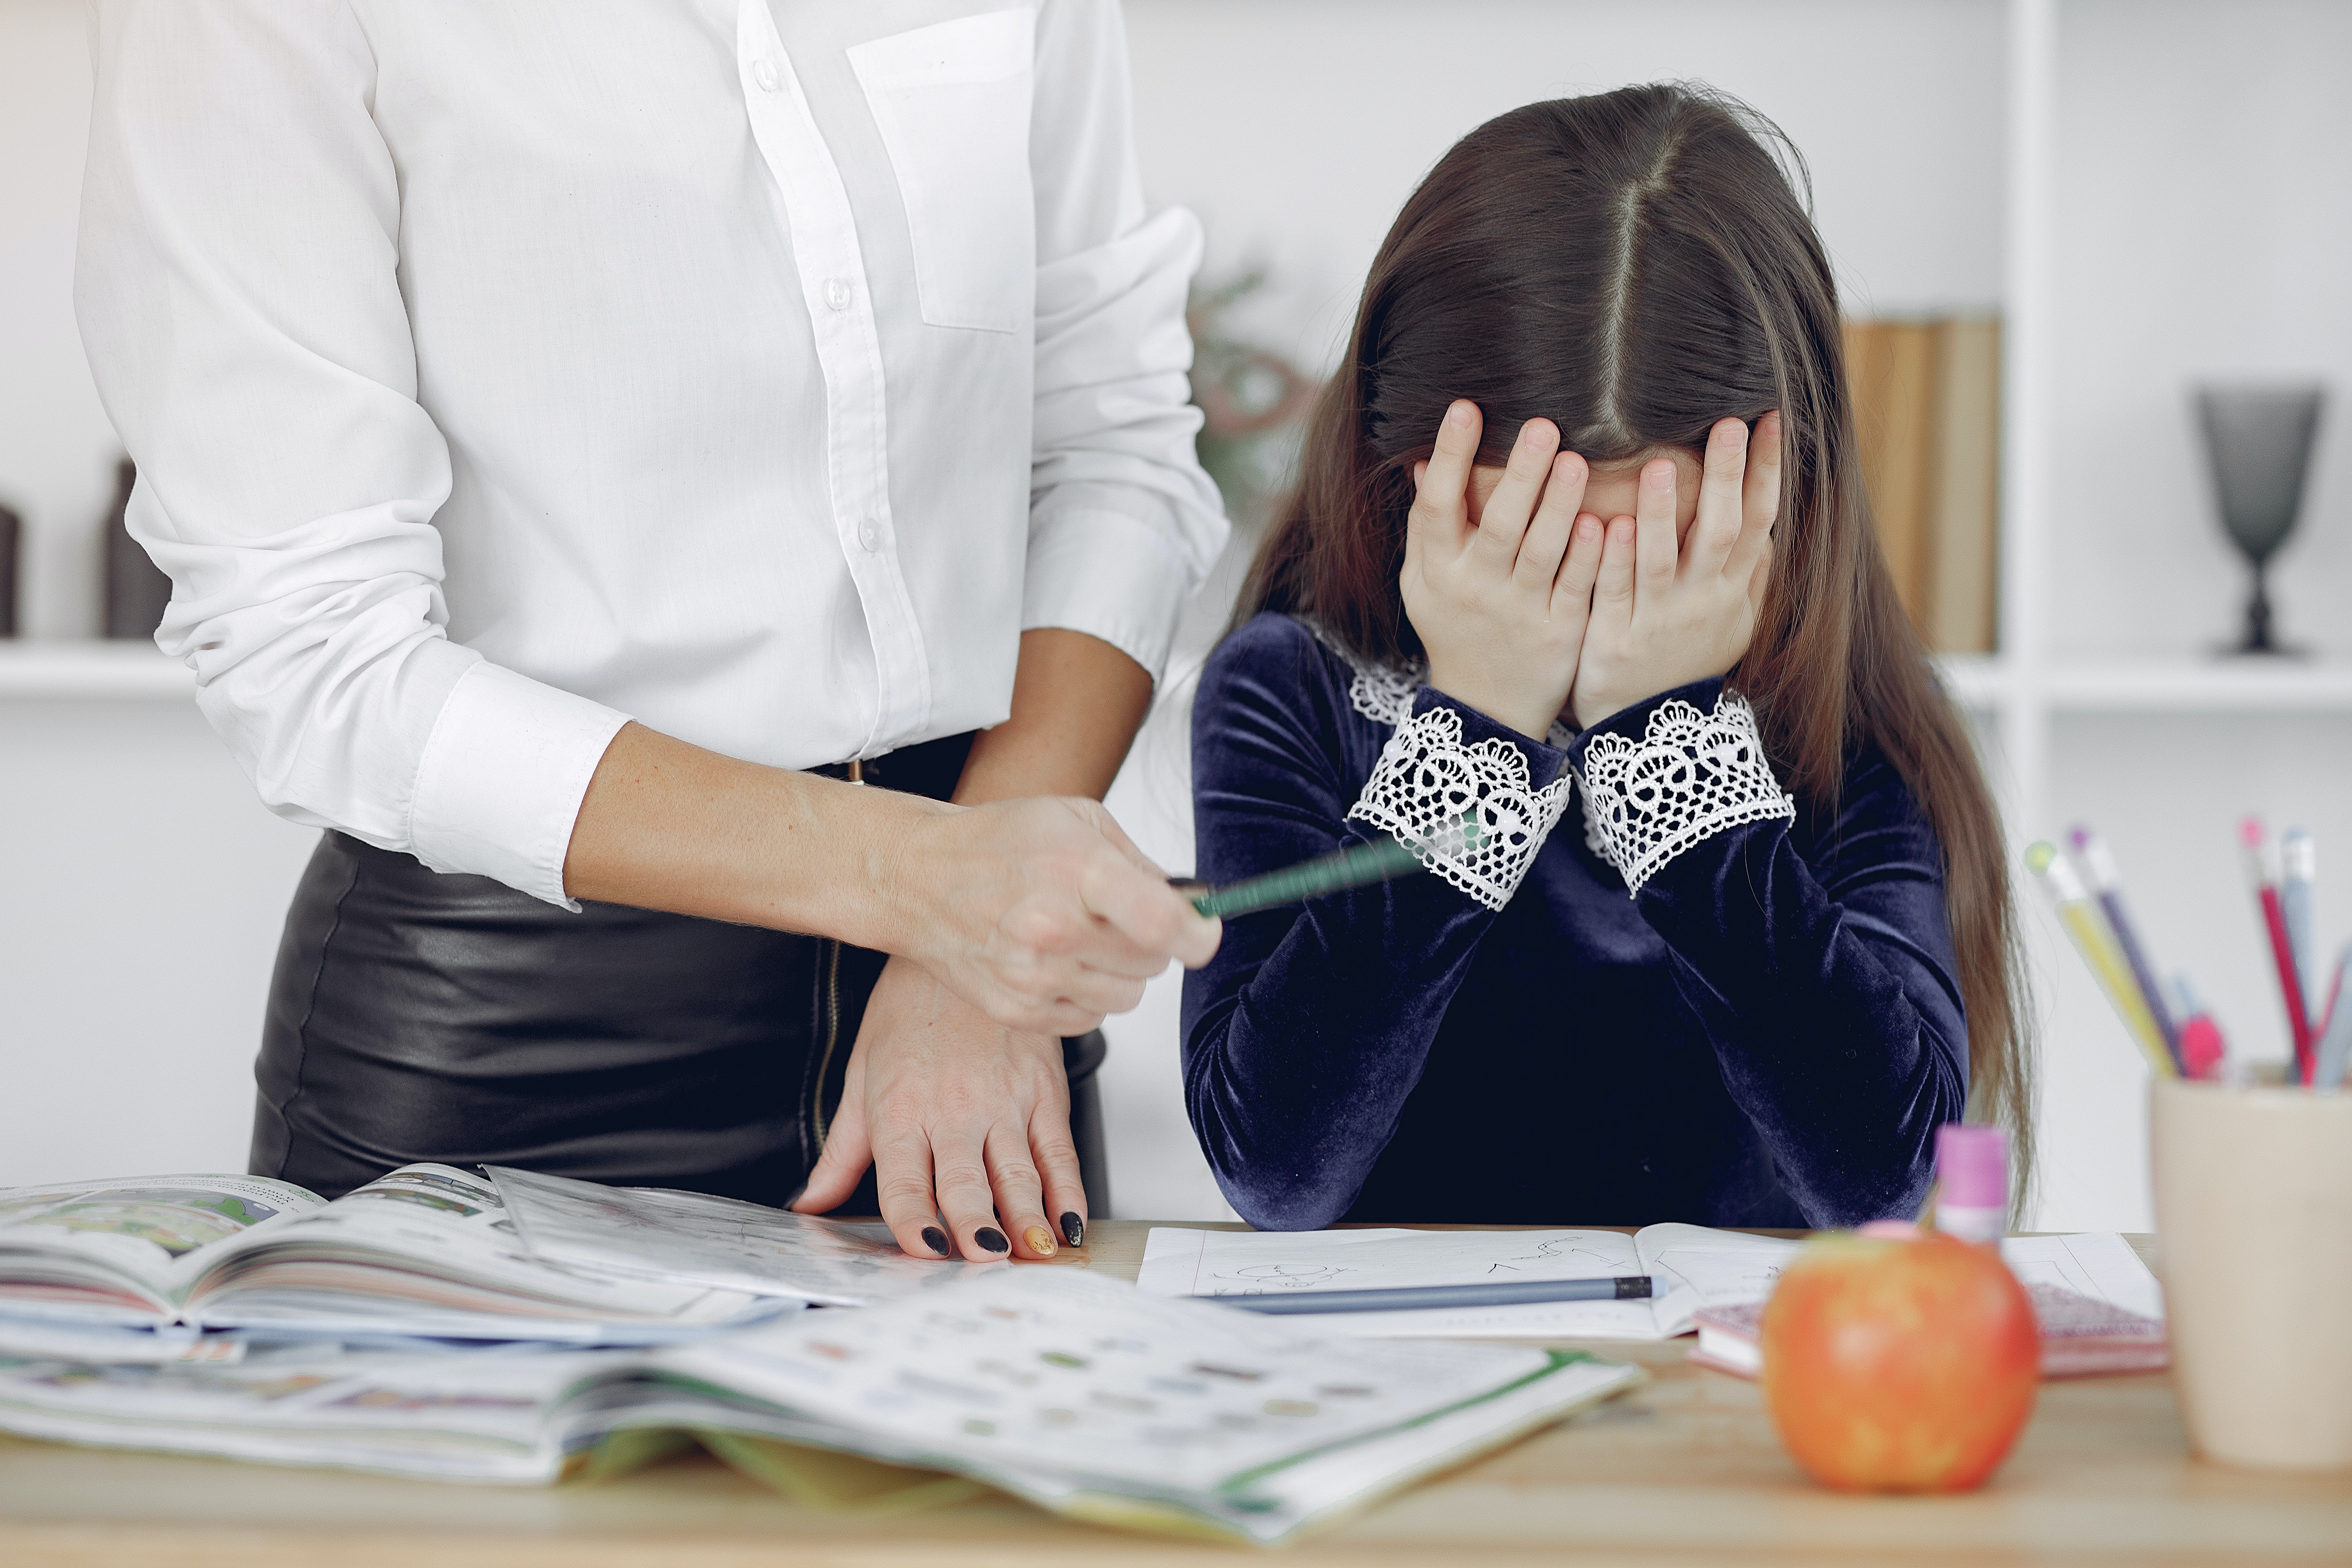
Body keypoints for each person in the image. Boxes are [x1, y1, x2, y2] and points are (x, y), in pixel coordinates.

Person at [74, 0, 1224, 1263]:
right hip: (522, 1053)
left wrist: (971, 955)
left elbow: (1111, 445)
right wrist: (932, 887)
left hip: (977, 1044)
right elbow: (317, 651)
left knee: (1000, 1462)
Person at [1182, 85, 2029, 1231]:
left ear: (1781, 501)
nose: (1593, 598)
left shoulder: (1841, 713)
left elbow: (1881, 1176)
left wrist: (1665, 734)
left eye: (1661, 547)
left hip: (1736, 1393)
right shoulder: (1294, 689)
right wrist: (1477, 717)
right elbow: (1275, 1170)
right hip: (1414, 1370)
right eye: (1529, 536)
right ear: (1411, 477)